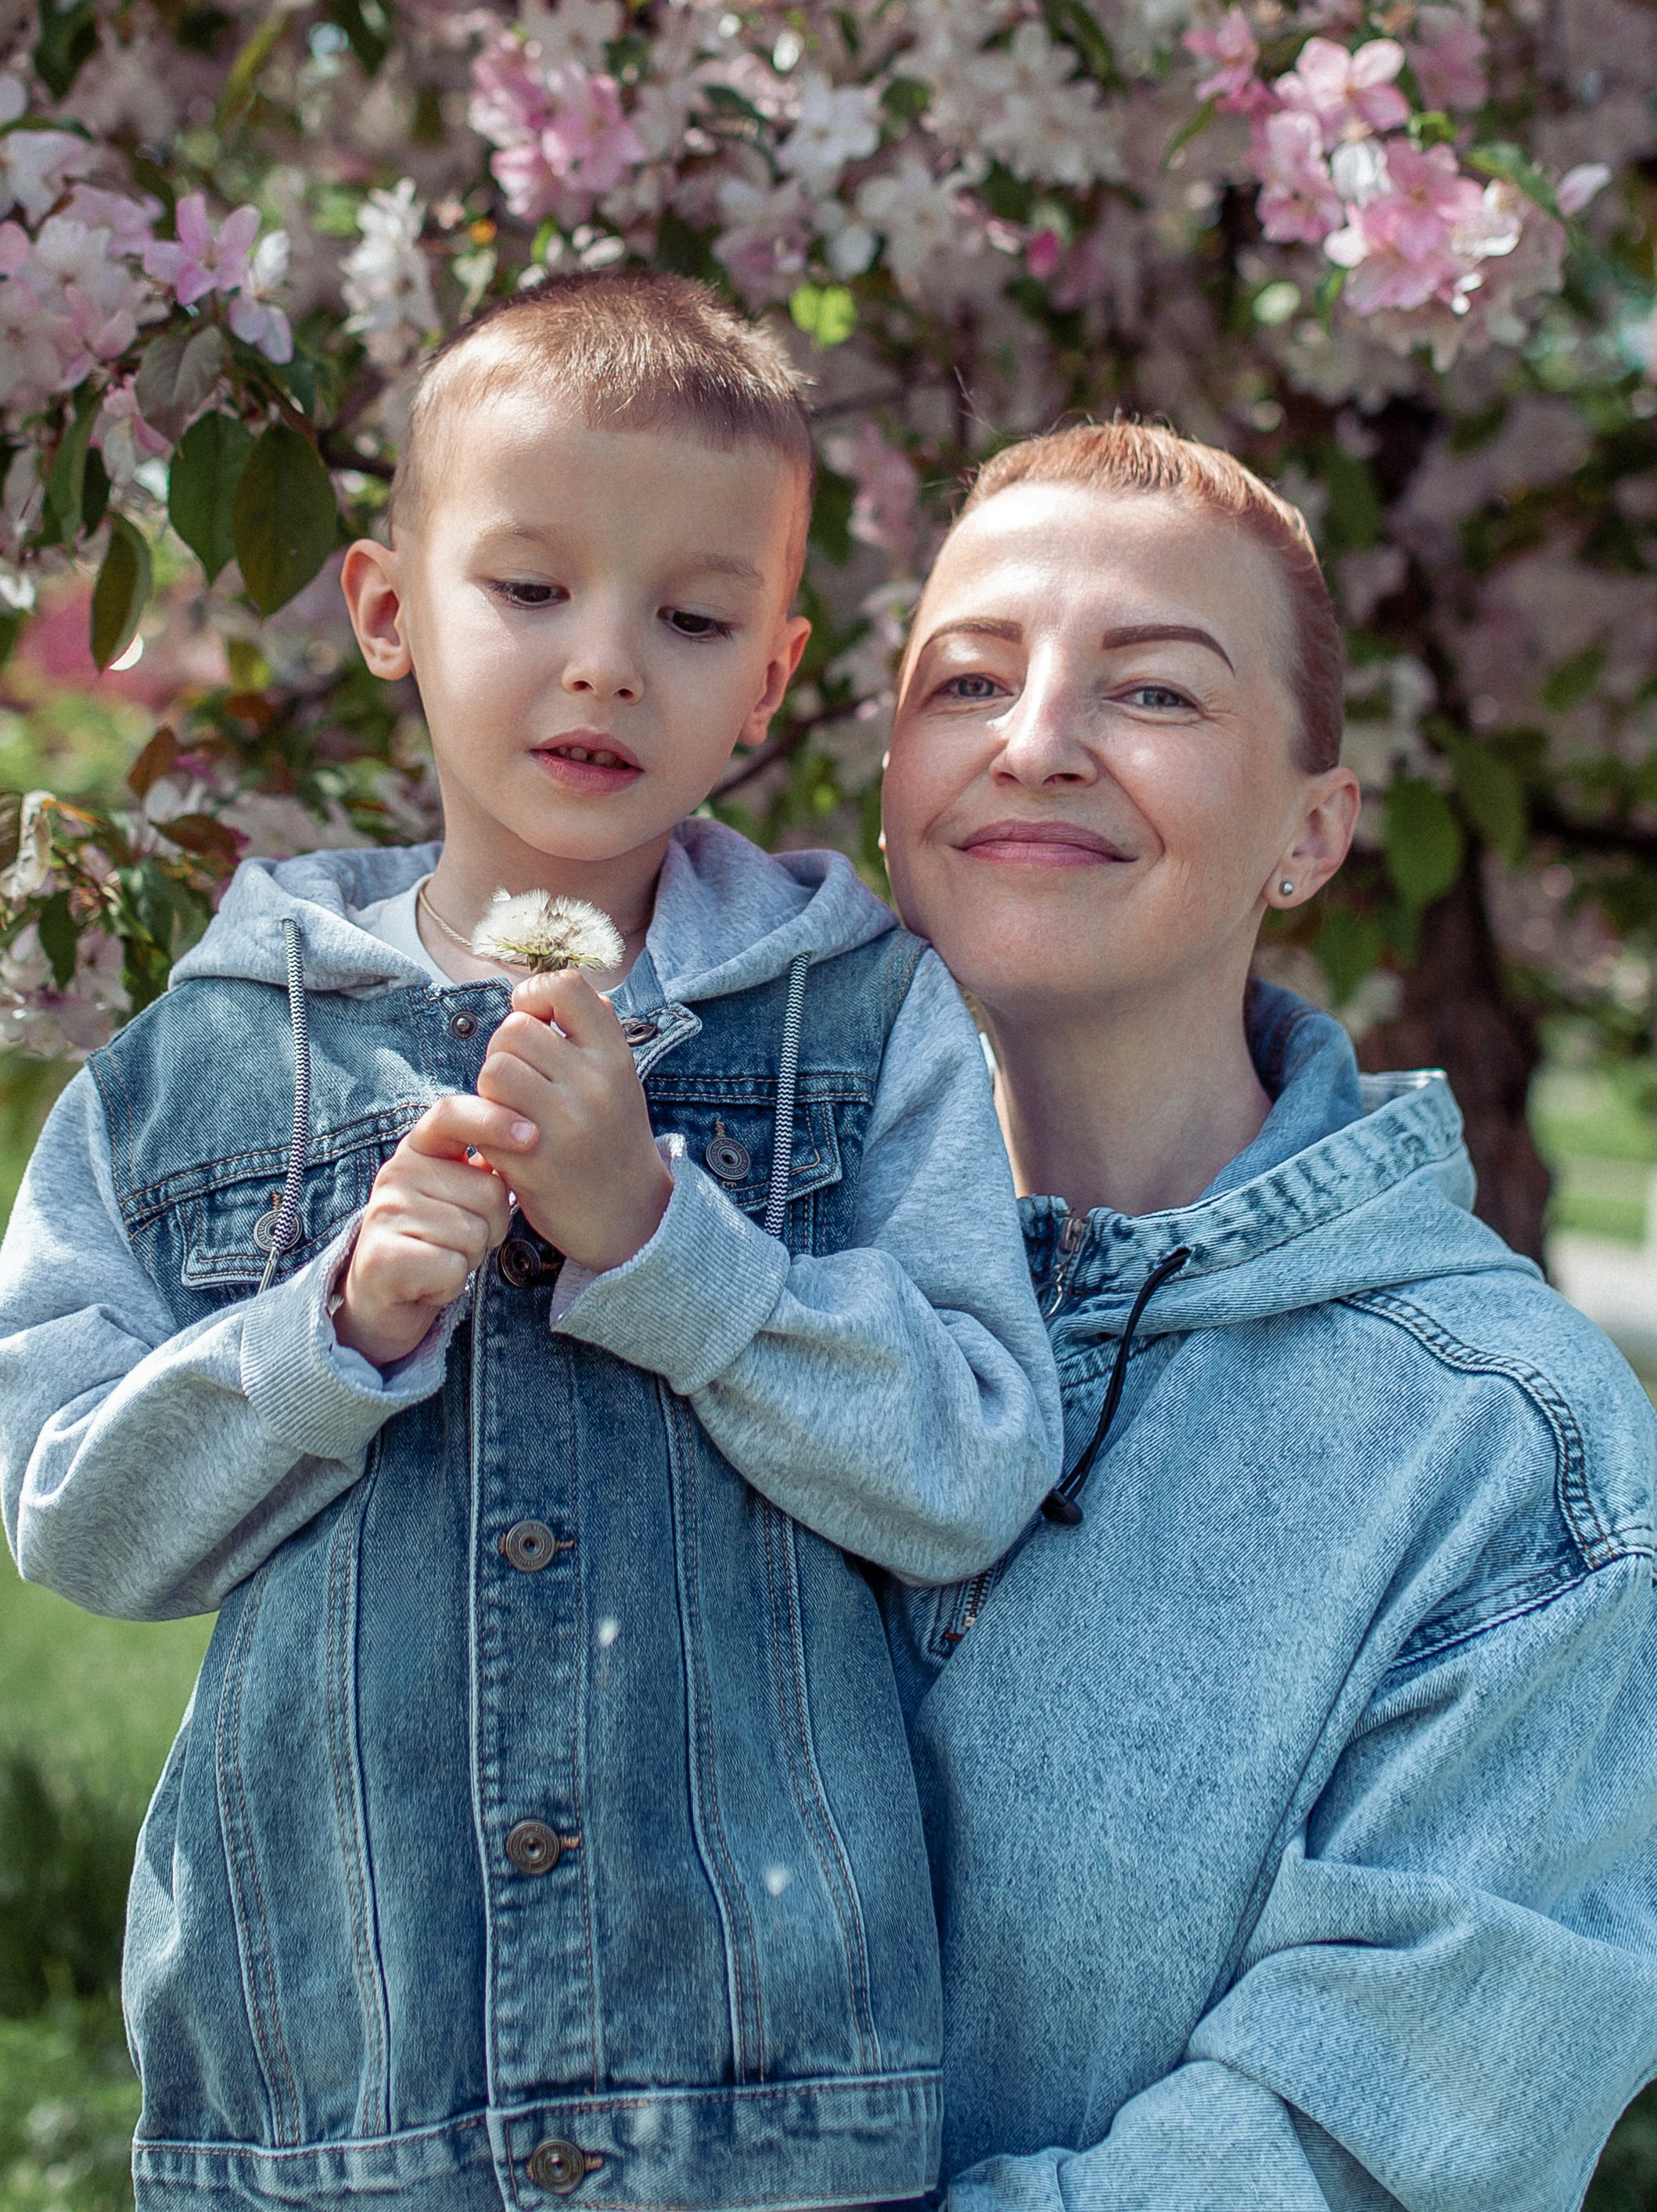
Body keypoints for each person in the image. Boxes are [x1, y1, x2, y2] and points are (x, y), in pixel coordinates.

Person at [0, 272, 1061, 2212]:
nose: (604, 666)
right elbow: (71, 1516)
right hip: (338, 2110)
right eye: (530, 588)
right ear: (387, 607)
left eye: (691, 619)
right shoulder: (214, 1059)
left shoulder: (858, 1021)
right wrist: (325, 1331)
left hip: (762, 2120)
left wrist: (664, 1244)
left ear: (770, 678)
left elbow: (972, 1465)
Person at [879, 420, 1657, 2212]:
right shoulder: (718, 1284)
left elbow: (1361, 2157)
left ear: (1311, 833)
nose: (1034, 739)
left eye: (1153, 691)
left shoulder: (1505, 1449)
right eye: (968, 679)